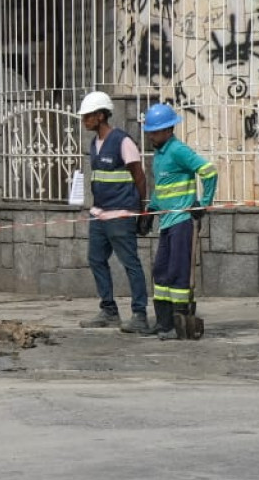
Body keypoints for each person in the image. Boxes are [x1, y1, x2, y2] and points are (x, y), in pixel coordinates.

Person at [140, 102, 218, 341]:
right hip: (166, 221)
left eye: (155, 131)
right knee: (160, 272)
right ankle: (163, 323)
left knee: (177, 273)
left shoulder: (178, 150)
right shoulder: (159, 155)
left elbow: (209, 171)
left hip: (182, 221)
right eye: (150, 131)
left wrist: (202, 203)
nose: (151, 136)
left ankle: (180, 322)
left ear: (168, 130)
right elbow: (162, 187)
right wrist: (150, 211)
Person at [75, 92, 150, 332]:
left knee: (131, 264)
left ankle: (139, 315)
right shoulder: (94, 144)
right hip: (100, 214)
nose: (84, 121)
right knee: (96, 259)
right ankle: (109, 310)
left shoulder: (123, 142)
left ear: (100, 116)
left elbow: (139, 176)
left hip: (121, 214)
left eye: (87, 116)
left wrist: (142, 209)